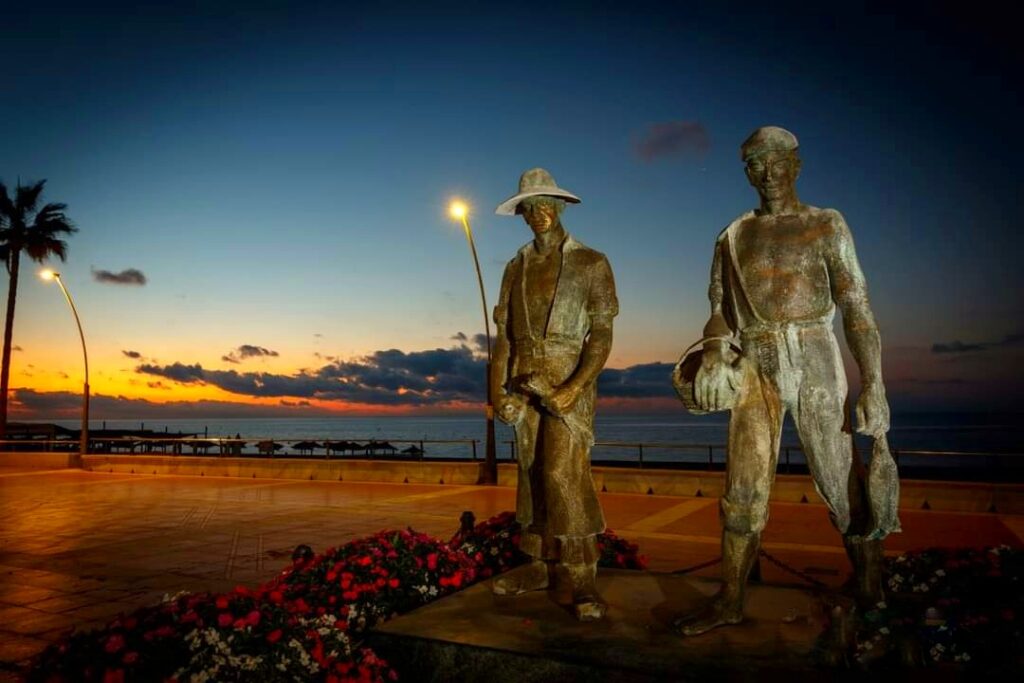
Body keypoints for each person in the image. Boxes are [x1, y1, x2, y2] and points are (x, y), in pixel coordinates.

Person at [675, 126, 900, 636]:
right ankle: (730, 596)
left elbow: (857, 310)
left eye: (776, 161)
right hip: (755, 359)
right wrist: (713, 351)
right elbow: (717, 314)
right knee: (744, 486)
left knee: (841, 478)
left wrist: (875, 384)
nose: (768, 172)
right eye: (755, 163)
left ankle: (870, 587)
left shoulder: (827, 224)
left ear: (796, 165)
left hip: (816, 353)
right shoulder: (732, 235)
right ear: (746, 170)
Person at [490, 168, 618, 621]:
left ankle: (582, 578)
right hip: (524, 383)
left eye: (547, 205)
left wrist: (574, 388)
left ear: (560, 207)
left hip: (569, 380)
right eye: (531, 207)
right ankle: (540, 565)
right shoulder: (515, 267)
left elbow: (600, 335)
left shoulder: (591, 262)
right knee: (530, 474)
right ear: (522, 214)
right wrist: (499, 393)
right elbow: (503, 338)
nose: (540, 214)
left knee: (562, 474)